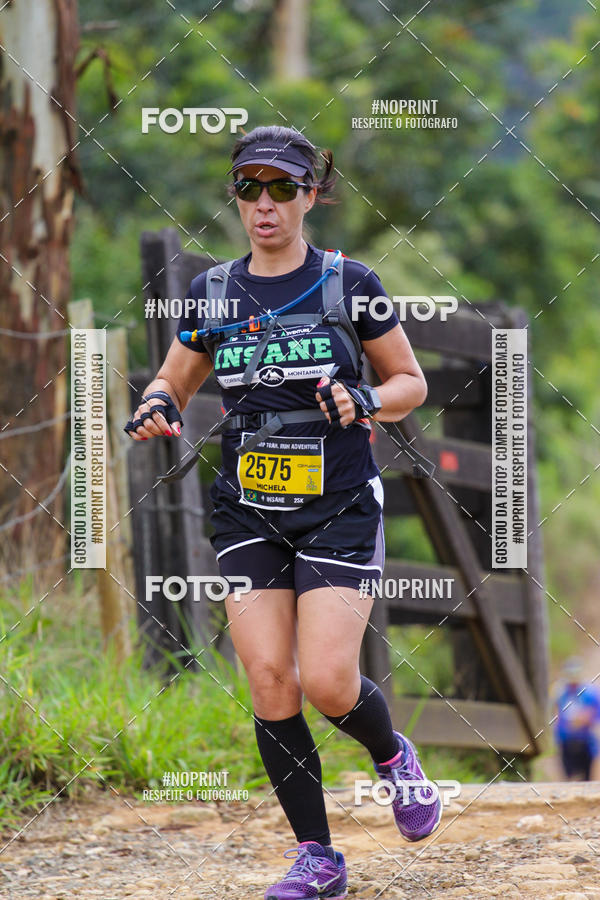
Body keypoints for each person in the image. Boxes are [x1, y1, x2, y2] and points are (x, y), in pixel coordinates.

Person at [125, 125, 441, 900]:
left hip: (335, 505)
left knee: (331, 680)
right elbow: (175, 378)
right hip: (247, 510)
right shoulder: (210, 294)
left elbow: (411, 382)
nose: (264, 205)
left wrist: (365, 395)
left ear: (311, 195)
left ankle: (392, 755)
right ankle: (318, 858)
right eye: (249, 189)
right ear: (235, 197)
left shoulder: (348, 281)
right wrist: (158, 405)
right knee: (270, 681)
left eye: (281, 188)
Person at [554, 657, 600, 782]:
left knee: (586, 778)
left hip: (585, 741)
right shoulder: (560, 692)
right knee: (569, 776)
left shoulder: (590, 692)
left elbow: (595, 714)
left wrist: (584, 719)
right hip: (566, 740)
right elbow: (556, 714)